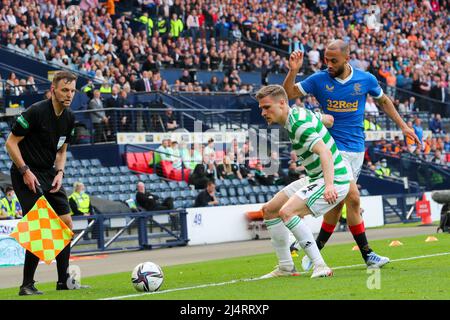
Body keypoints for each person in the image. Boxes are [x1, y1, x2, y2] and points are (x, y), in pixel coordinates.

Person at [283, 40, 416, 270]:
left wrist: (404, 126)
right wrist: (293, 71)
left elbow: (383, 101)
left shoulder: (366, 79)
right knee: (353, 197)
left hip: (357, 150)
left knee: (337, 208)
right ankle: (368, 255)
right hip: (333, 149)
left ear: (347, 58)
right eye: (326, 59)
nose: (329, 64)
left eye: (333, 60)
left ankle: (313, 251)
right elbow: (288, 94)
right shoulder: (319, 79)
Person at [5, 70, 87, 295]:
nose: (69, 94)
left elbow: (62, 150)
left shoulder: (69, 117)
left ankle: (63, 281)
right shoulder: (35, 112)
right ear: (53, 90)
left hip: (49, 173)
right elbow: (10, 144)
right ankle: (26, 285)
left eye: (72, 90)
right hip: (25, 173)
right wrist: (25, 170)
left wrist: (60, 172)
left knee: (66, 223)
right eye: (64, 90)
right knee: (40, 224)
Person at [256, 85, 343, 279]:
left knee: (287, 212)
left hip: (332, 177)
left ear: (282, 103)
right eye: (261, 108)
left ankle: (320, 265)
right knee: (269, 210)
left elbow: (325, 152)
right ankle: (286, 267)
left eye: (267, 107)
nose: (263, 112)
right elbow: (325, 119)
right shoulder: (297, 114)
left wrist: (329, 185)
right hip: (314, 176)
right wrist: (326, 120)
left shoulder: (297, 124)